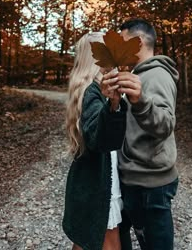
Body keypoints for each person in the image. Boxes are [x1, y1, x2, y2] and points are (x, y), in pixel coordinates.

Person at [102, 18, 179, 250]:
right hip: (135, 180)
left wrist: (140, 101)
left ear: (136, 42)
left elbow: (166, 124)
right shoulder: (139, 75)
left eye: (122, 42)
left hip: (150, 184)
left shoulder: (157, 75)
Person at [62, 32, 127, 250]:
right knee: (107, 240)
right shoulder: (94, 92)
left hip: (90, 180)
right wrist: (114, 106)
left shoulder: (88, 90)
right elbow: (98, 138)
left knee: (87, 238)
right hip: (98, 183)